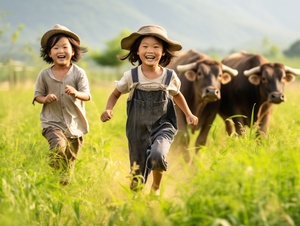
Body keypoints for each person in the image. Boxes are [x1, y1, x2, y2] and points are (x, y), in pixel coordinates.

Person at [100, 25, 198, 195]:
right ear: (137, 51)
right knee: (137, 178)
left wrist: (189, 114)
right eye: (145, 46)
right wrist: (108, 109)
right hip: (137, 129)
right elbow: (115, 94)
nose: (150, 50)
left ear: (164, 52)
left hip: (163, 125)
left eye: (155, 46)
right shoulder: (131, 76)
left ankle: (156, 188)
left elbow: (177, 95)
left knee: (157, 155)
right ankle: (135, 202)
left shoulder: (169, 76)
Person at [33, 24, 91, 185]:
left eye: (65, 47)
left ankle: (62, 187)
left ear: (73, 51)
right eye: (55, 47)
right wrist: (45, 99)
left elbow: (86, 95)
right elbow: (37, 95)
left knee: (69, 162)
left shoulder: (79, 73)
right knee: (58, 146)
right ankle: (51, 174)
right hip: (52, 122)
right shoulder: (44, 75)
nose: (60, 51)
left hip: (74, 125)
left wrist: (75, 93)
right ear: (49, 53)